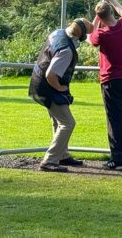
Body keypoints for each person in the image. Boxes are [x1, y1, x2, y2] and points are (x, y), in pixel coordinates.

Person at [28, 18, 93, 172]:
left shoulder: (57, 33)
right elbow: (51, 74)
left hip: (38, 83)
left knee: (58, 121)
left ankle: (62, 155)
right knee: (68, 123)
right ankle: (49, 160)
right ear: (80, 36)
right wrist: (60, 87)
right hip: (48, 86)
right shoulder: (66, 50)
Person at [89, 0, 122, 171]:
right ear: (112, 12)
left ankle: (118, 159)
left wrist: (96, 17)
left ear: (100, 17)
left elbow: (89, 35)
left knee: (115, 120)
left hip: (111, 81)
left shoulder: (102, 34)